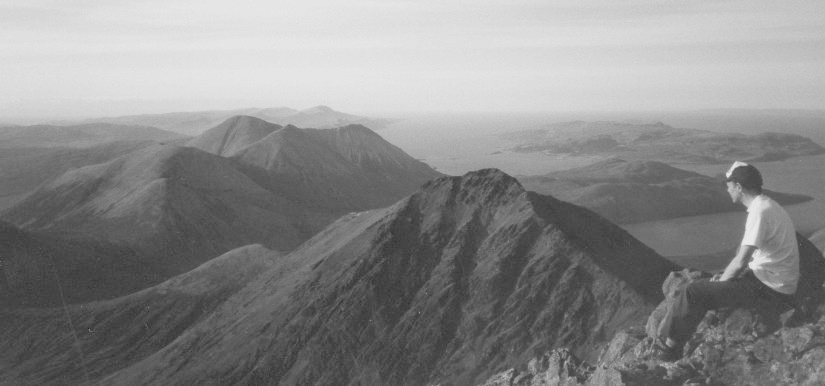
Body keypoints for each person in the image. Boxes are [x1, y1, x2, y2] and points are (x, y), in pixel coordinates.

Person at [655, 161, 800, 361]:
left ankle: (670, 348)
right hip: (773, 281)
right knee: (711, 283)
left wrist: (723, 282)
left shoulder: (760, 212)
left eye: (729, 185)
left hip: (771, 289)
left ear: (739, 187)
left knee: (693, 291)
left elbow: (741, 261)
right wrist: (724, 277)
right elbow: (747, 257)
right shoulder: (767, 205)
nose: (727, 188)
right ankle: (671, 340)